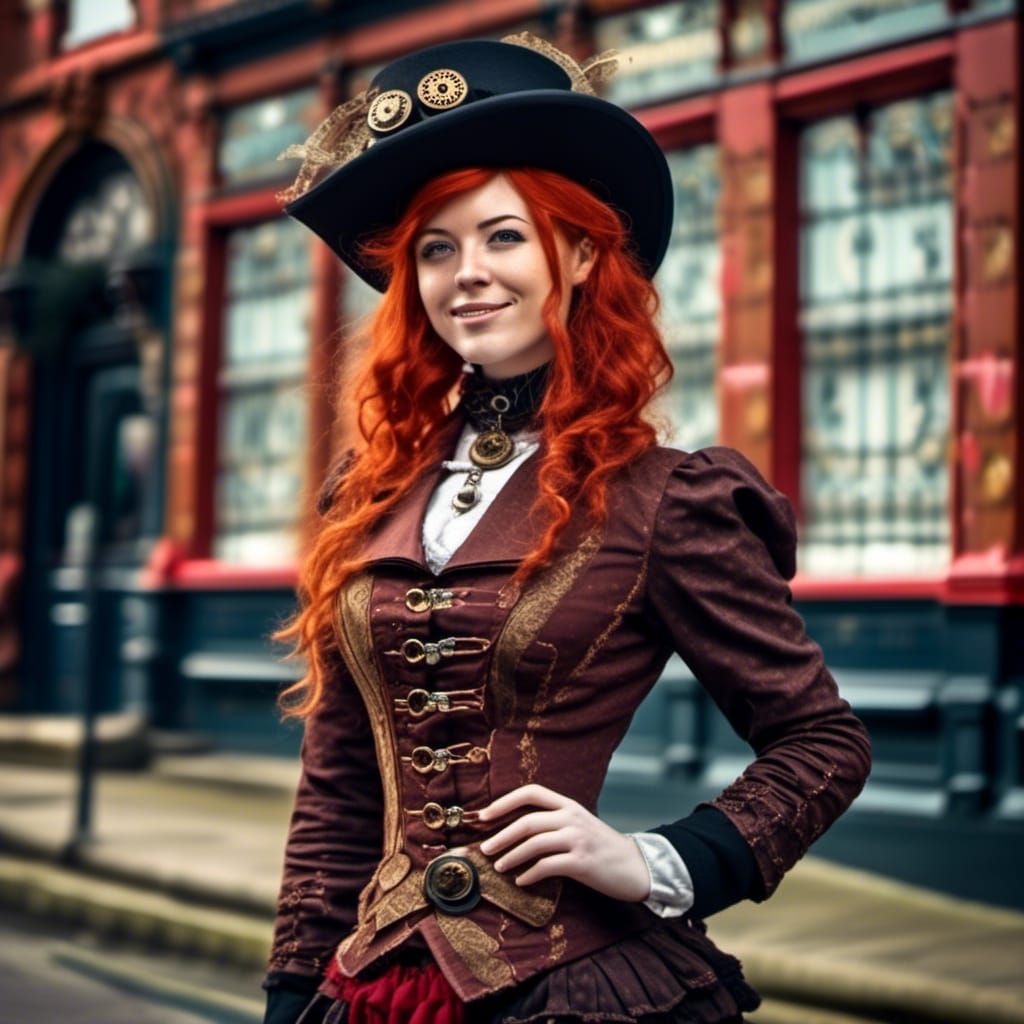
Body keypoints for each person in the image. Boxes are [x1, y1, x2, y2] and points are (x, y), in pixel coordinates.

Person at [262, 33, 872, 1024]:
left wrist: (658, 858)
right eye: (436, 246)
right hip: (372, 987)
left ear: (581, 254)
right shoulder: (367, 494)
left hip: (572, 986)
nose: (468, 273)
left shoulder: (666, 499)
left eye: (504, 236)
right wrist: (291, 993)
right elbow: (336, 783)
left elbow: (822, 739)